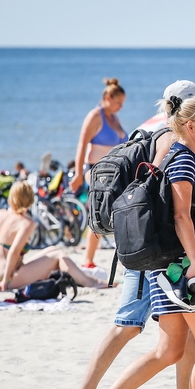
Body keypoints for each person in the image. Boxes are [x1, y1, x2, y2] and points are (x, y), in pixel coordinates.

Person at [67, 80, 195, 389]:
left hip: (163, 246)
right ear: (185, 112)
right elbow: (171, 201)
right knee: (127, 323)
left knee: (181, 333)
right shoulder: (171, 140)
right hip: (159, 249)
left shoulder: (160, 135)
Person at [0, 181, 108, 291]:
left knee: (54, 250)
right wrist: (5, 282)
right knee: (58, 255)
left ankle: (85, 279)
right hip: (10, 278)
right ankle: (89, 282)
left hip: (0, 276)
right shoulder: (26, 223)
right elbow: (13, 252)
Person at [69, 78, 128, 268]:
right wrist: (78, 174)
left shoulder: (115, 118)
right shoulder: (95, 116)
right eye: (118, 102)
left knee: (120, 212)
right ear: (108, 97)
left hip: (115, 172)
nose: (121, 107)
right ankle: (88, 259)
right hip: (95, 170)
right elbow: (81, 145)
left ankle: (124, 255)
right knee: (99, 211)